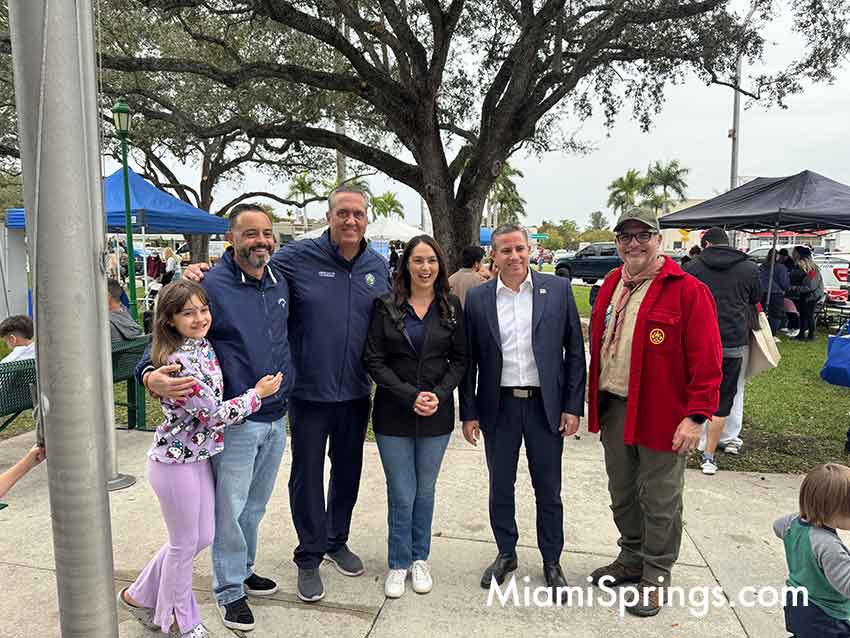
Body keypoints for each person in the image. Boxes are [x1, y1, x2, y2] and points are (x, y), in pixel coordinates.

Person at [185, 185, 391, 603]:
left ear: (366, 219)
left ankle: (336, 540)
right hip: (306, 394)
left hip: (356, 391)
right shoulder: (295, 257)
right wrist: (201, 272)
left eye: (358, 214)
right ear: (329, 217)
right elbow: (249, 269)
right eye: (343, 213)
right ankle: (309, 555)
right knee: (307, 477)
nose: (350, 220)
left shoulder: (378, 265)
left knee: (348, 472)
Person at [139, 203, 293, 631]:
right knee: (230, 509)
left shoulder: (280, 279)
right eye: (250, 233)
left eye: (266, 233)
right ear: (230, 239)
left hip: (276, 415)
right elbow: (161, 343)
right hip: (235, 422)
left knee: (254, 507)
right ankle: (229, 590)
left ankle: (243, 569)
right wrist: (149, 374)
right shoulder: (209, 285)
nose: (260, 241)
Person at [120, 280, 282, 638]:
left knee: (203, 536)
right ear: (169, 320)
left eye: (203, 310)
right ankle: (182, 620)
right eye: (187, 313)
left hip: (199, 458)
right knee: (183, 544)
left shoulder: (203, 345)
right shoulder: (176, 363)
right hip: (173, 465)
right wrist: (258, 394)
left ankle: (138, 594)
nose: (199, 318)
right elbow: (213, 415)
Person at [587, 207, 722, 617]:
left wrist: (696, 417)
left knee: (661, 498)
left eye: (642, 235)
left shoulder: (688, 290)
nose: (634, 244)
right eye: (625, 236)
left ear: (658, 240)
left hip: (663, 413)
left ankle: (657, 575)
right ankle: (631, 557)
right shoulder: (612, 284)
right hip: (615, 408)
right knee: (622, 492)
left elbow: (708, 361)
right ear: (617, 243)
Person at [460, 223, 586, 600]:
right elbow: (469, 361)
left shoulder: (557, 290)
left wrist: (572, 406)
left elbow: (575, 352)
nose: (514, 256)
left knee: (548, 488)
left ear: (530, 250)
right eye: (505, 250)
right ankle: (506, 553)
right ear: (493, 255)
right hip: (498, 407)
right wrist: (469, 412)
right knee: (501, 486)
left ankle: (552, 560)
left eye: (519, 249)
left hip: (544, 407)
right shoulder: (479, 299)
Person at [364, 235, 467, 598]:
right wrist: (410, 395)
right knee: (402, 492)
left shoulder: (451, 307)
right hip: (394, 412)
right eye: (418, 260)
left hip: (436, 413)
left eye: (432, 261)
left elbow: (460, 360)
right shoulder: (385, 306)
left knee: (425, 490)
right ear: (406, 264)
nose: (425, 268)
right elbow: (374, 360)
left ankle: (420, 557)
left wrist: (439, 394)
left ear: (440, 265)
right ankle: (398, 561)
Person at [684, 227, 761, 473]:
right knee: (726, 396)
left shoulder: (692, 268)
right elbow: (755, 299)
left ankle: (687, 445)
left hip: (696, 341)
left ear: (706, 244)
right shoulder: (749, 268)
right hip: (733, 339)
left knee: (691, 392)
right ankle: (709, 456)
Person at [774, 463, 850, 638]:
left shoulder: (792, 523)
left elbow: (777, 526)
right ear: (834, 510)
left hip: (795, 600)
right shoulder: (829, 547)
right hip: (824, 615)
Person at [789, 246, 824, 341]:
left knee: (808, 315)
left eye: (794, 252)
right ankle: (801, 334)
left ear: (799, 254)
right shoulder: (800, 266)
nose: (792, 254)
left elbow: (810, 286)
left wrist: (794, 288)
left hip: (811, 296)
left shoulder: (811, 269)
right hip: (803, 295)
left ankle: (811, 336)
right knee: (803, 315)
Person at [759, 248, 790, 336]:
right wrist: (786, 289)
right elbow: (784, 283)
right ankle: (772, 334)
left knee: (762, 314)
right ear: (777, 256)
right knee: (775, 315)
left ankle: (763, 333)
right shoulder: (781, 268)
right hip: (776, 293)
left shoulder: (761, 267)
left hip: (762, 292)